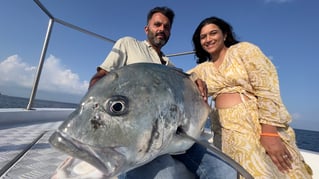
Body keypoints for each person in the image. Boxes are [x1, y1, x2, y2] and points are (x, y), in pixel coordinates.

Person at [89, 7, 236, 179]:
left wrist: (197, 81)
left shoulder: (170, 66)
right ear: (147, 29)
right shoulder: (128, 44)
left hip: (174, 134)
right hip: (140, 139)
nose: (161, 30)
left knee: (225, 170)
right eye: (157, 24)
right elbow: (101, 77)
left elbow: (187, 81)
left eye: (166, 27)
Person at [188, 16, 313, 178]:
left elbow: (267, 88)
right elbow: (181, 78)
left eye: (213, 33)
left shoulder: (244, 50)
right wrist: (193, 78)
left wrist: (269, 132)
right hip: (225, 136)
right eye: (203, 37)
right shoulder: (203, 69)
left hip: (254, 128)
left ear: (224, 35)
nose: (208, 39)